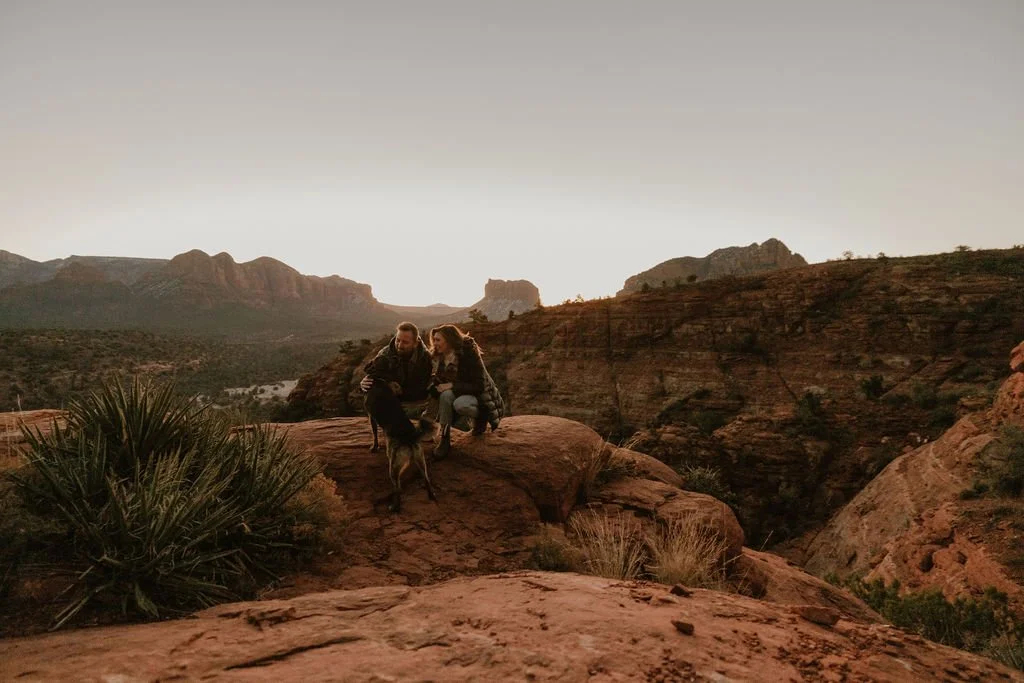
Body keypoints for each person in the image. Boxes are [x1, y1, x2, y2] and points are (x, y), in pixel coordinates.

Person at [427, 324, 504, 458]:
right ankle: (445, 438)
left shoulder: (469, 354)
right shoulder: (441, 357)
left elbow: (479, 386)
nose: (435, 343)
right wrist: (434, 388)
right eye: (434, 339)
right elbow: (440, 383)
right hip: (458, 391)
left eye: (438, 340)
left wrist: (451, 385)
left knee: (460, 405)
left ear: (449, 340)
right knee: (445, 396)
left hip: (479, 396)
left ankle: (481, 417)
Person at [360, 322, 432, 417]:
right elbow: (373, 372)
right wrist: (366, 383)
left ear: (415, 344)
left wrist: (401, 391)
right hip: (390, 396)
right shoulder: (386, 354)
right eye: (398, 340)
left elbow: (423, 387)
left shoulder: (424, 358)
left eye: (405, 342)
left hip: (414, 396)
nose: (399, 345)